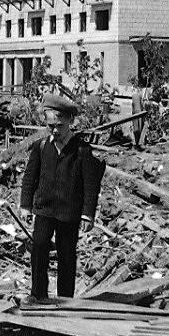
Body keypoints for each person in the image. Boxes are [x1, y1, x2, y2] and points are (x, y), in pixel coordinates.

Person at [19, 93, 105, 303]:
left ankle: (65, 299)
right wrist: (25, 205)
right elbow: (30, 177)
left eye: (59, 125)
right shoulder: (41, 147)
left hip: (69, 212)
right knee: (39, 248)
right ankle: (38, 295)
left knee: (67, 255)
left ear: (69, 122)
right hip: (44, 209)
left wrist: (87, 214)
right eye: (51, 126)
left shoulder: (82, 150)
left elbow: (90, 185)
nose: (55, 130)